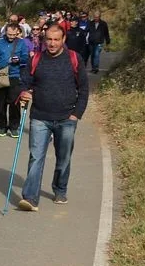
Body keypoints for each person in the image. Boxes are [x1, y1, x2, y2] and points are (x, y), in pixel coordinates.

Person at [16, 25, 90, 211]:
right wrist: (24, 92)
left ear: (63, 39)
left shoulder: (74, 58)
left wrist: (76, 115)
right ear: (44, 39)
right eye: (49, 39)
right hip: (40, 117)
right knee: (35, 157)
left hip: (66, 118)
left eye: (56, 39)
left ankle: (60, 189)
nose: (52, 43)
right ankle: (30, 198)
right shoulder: (37, 59)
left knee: (63, 157)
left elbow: (84, 89)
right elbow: (24, 81)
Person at [0, 23, 32, 138]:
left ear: (17, 33)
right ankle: (1, 127)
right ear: (5, 32)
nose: (11, 36)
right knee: (0, 104)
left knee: (14, 103)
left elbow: (26, 58)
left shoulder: (21, 43)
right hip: (0, 75)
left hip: (15, 76)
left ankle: (14, 127)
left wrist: (19, 59)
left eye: (13, 34)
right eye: (9, 34)